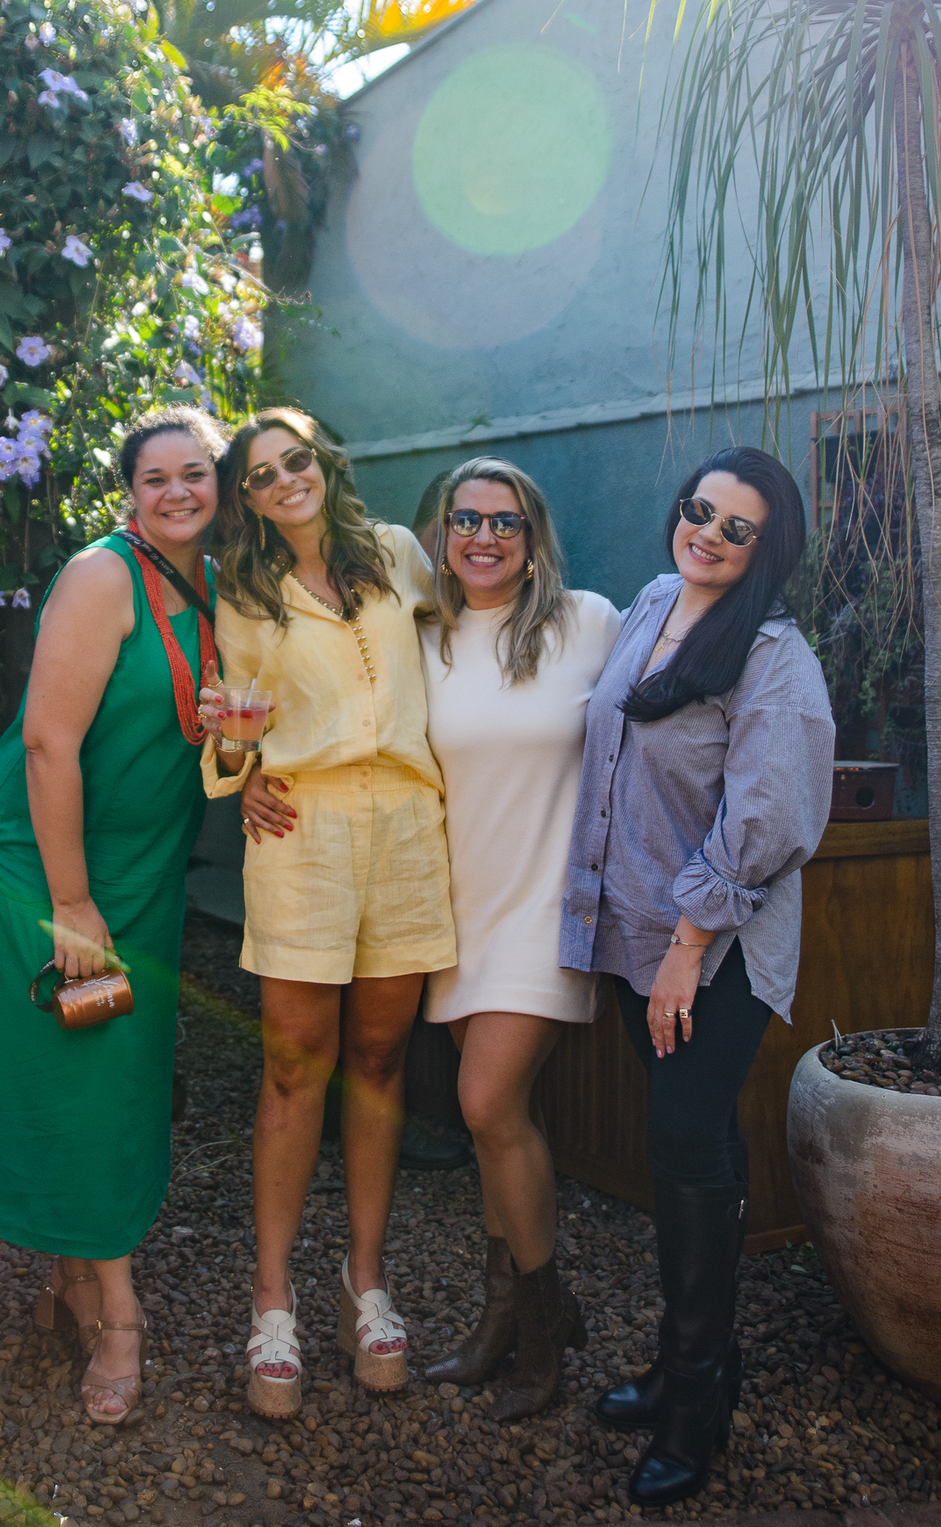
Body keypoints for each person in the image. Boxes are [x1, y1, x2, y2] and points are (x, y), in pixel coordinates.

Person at [560, 446, 835, 1503]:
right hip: (636, 929)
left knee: (684, 1150)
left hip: (711, 950)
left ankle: (691, 1403)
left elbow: (769, 818)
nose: (708, 533)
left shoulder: (775, 656)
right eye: (699, 509)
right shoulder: (652, 602)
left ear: (768, 549)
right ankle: (698, 1367)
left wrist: (686, 949)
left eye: (737, 527)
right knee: (700, 1142)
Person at [0, 405, 227, 1425]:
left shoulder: (215, 585)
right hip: (49, 868)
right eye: (156, 478)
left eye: (195, 473)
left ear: (219, 484)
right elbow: (48, 743)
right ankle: (119, 1315)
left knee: (110, 1070)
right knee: (85, 1077)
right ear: (130, 494)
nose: (177, 491)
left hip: (141, 870)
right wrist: (70, 903)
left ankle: (69, 1279)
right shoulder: (104, 575)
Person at [198, 407, 457, 1420]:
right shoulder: (244, 592)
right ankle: (273, 1300)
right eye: (261, 475)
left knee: (383, 1061)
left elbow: (473, 629)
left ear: (324, 464)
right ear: (249, 501)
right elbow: (230, 729)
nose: (284, 481)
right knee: (293, 1066)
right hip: (302, 831)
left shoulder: (395, 554)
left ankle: (365, 1281)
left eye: (294, 460)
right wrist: (240, 764)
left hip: (407, 830)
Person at [417, 457, 620, 1421]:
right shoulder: (423, 638)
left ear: (533, 537)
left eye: (504, 522)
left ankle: (543, 1331)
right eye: (466, 520)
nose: (484, 537)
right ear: (441, 535)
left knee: (487, 1100)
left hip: (547, 907)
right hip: (456, 911)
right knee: (497, 1126)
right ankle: (506, 1312)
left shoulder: (591, 624)